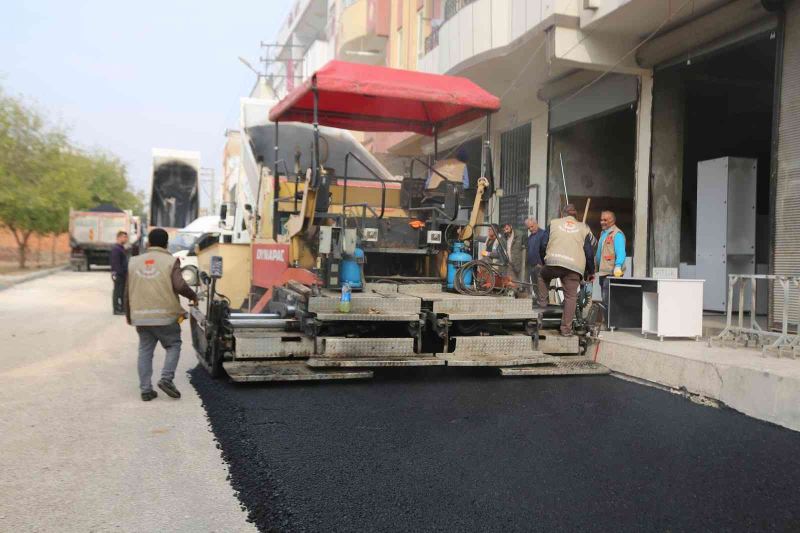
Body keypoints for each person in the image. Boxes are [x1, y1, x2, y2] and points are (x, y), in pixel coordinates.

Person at [126, 228, 198, 401]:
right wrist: (193, 296)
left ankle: (145, 390)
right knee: (173, 344)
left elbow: (126, 291)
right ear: (166, 244)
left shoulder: (134, 262)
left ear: (148, 243)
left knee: (145, 351)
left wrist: (129, 315)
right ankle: (166, 379)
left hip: (141, 316)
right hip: (166, 316)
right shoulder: (170, 261)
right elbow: (180, 286)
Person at [537, 204, 595, 336]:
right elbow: (589, 253)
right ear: (576, 216)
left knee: (542, 276)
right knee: (571, 297)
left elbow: (543, 244)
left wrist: (543, 261)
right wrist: (590, 272)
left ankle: (542, 308)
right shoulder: (584, 228)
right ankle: (566, 329)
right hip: (574, 268)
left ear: (562, 214)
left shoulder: (554, 223)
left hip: (553, 263)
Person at [596, 210, 627, 306]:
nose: (602, 222)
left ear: (612, 220)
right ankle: (607, 320)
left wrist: (618, 266)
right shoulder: (603, 234)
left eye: (605, 220)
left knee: (609, 301)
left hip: (612, 274)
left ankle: (610, 321)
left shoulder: (617, 234)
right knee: (605, 300)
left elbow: (621, 252)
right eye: (601, 220)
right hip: (603, 273)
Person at [525, 218, 546, 301]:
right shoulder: (530, 237)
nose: (530, 229)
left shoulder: (543, 234)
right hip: (531, 265)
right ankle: (539, 301)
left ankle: (543, 303)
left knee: (542, 286)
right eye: (528, 228)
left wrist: (541, 263)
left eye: (532, 226)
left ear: (536, 224)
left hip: (540, 265)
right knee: (535, 285)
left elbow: (544, 249)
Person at [110, 231, 129, 315]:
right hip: (119, 274)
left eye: (126, 237)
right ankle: (116, 309)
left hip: (122, 274)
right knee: (117, 292)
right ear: (119, 238)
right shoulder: (116, 249)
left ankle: (122, 308)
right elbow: (115, 263)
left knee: (121, 292)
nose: (126, 239)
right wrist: (119, 273)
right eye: (124, 237)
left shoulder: (121, 248)